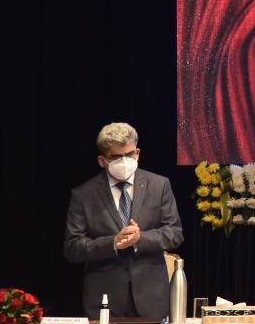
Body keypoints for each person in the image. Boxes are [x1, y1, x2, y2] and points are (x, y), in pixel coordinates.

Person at [63, 122, 183, 320]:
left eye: (130, 154)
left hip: (151, 298)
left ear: (138, 153)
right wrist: (112, 242)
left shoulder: (159, 185)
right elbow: (73, 247)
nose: (125, 161)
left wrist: (140, 238)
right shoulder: (84, 194)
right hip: (105, 300)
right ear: (102, 160)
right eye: (117, 157)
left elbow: (174, 234)